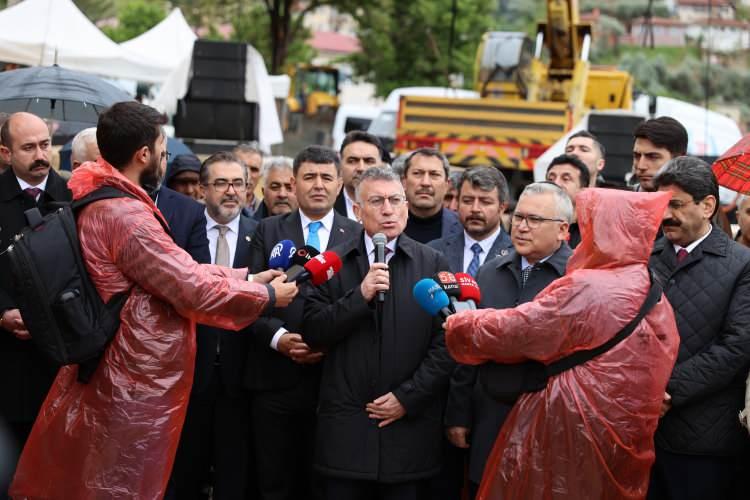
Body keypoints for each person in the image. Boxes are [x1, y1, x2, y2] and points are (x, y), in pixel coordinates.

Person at [9, 101, 298, 500]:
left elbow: (177, 269)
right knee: (118, 487)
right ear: (144, 154)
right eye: (162, 150)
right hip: (128, 379)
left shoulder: (104, 197)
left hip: (117, 371)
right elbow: (189, 286)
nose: (164, 158)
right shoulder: (127, 215)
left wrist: (245, 277)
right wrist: (265, 295)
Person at [445, 187, 680, 499]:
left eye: (590, 224)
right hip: (618, 428)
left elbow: (522, 330)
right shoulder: (646, 282)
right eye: (519, 217)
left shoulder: (589, 284)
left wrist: (462, 323)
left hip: (568, 422)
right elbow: (664, 346)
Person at [303, 167, 455, 500]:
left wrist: (408, 396)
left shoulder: (432, 261)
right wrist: (360, 296)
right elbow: (313, 331)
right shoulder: (332, 263)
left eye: (395, 200)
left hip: (407, 432)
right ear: (357, 211)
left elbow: (447, 341)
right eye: (377, 201)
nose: (388, 210)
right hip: (346, 435)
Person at [444, 182, 574, 497]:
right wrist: (459, 414)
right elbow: (469, 348)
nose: (522, 227)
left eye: (534, 220)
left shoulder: (575, 278)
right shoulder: (490, 272)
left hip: (548, 421)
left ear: (562, 230)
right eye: (518, 217)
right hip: (490, 414)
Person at [247, 145, 361, 500]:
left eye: (327, 177)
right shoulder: (267, 230)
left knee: (324, 484)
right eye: (309, 177)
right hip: (274, 377)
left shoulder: (356, 235)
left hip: (333, 379)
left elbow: (359, 303)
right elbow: (247, 296)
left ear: (340, 184)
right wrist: (279, 338)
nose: (318, 185)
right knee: (273, 481)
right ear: (294, 183)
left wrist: (326, 341)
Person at [647, 157, 750, 500]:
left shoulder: (740, 264)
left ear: (708, 206)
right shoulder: (643, 255)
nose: (664, 215)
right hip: (639, 431)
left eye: (675, 205)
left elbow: (736, 346)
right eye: (660, 204)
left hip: (702, 440)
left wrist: (667, 392)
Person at [169, 151, 259, 499]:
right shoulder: (181, 234)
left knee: (233, 471)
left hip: (242, 372)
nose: (230, 191)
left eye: (238, 183)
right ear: (202, 189)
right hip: (190, 371)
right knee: (186, 469)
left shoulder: (261, 234)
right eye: (221, 183)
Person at [0, 112, 71, 483]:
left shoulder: (73, 197)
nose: (41, 154)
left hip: (60, 356)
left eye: (46, 144)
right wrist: (2, 312)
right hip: (7, 359)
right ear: (6, 153)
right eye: (28, 147)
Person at [70, 127, 210, 264]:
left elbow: (197, 274)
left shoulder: (191, 211)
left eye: (164, 155)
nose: (160, 163)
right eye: (155, 155)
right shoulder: (91, 210)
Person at [428, 166, 512, 276]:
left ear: (502, 208)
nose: (475, 209)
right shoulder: (433, 252)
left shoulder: (517, 256)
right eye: (467, 201)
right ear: (457, 203)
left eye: (485, 202)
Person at [402, 147, 461, 244]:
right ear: (404, 182)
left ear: (447, 185)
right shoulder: (384, 224)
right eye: (418, 173)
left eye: (434, 175)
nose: (425, 182)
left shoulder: (463, 228)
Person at [335, 130, 389, 221]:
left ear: (381, 166)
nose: (361, 168)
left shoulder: (395, 206)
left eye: (369, 161)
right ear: (340, 164)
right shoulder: (326, 205)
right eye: (352, 161)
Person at [545, 154, 591, 248]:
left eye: (565, 179)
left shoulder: (591, 232)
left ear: (582, 190)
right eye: (551, 179)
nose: (556, 183)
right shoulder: (529, 224)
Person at [632, 116, 688, 192]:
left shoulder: (700, 202)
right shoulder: (620, 201)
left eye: (653, 157)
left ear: (680, 159)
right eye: (637, 156)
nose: (641, 166)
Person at [254, 156, 298, 220]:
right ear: (263, 192)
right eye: (275, 187)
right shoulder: (249, 228)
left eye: (289, 188)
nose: (282, 194)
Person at [233, 143, 264, 214]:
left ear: (260, 175)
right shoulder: (211, 207)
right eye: (242, 167)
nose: (248, 175)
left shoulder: (267, 211)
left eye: (254, 169)